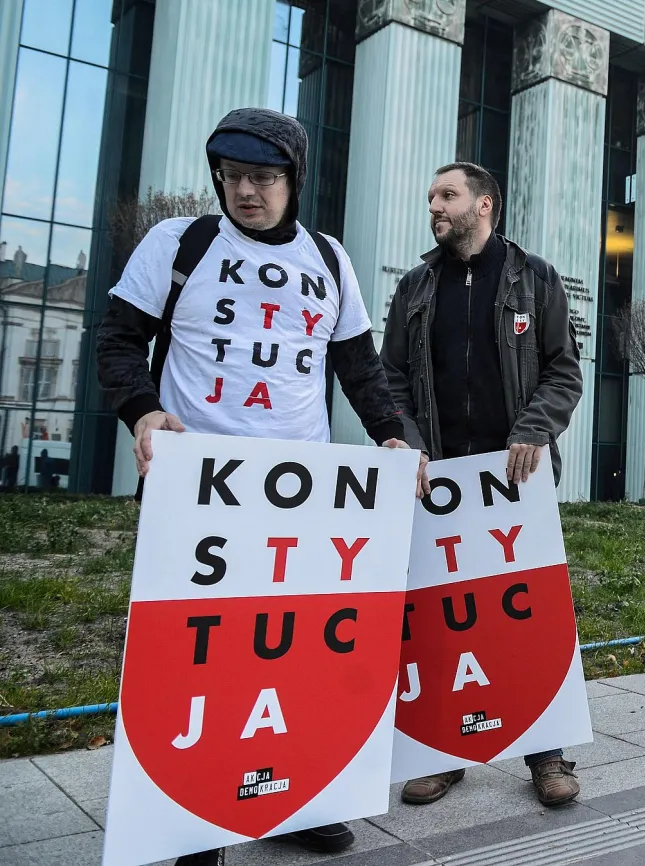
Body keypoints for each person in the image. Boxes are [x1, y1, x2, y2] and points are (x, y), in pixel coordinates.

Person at [96, 107, 412, 866]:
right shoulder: (178, 244)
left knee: (292, 651)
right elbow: (116, 340)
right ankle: (195, 820)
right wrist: (143, 413)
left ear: (293, 181)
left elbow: (359, 368)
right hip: (194, 484)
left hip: (299, 491)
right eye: (235, 176)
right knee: (195, 654)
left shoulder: (330, 260)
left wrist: (392, 434)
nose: (247, 191)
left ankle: (290, 799)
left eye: (265, 178)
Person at [380, 161, 585, 807]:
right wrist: (408, 446)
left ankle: (547, 754)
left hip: (515, 482)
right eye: (431, 196)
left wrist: (534, 429)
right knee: (445, 621)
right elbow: (389, 381)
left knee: (527, 619)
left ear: (485, 205)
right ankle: (446, 752)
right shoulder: (415, 287)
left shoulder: (536, 278)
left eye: (447, 195)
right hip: (437, 483)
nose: (435, 206)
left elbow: (564, 372)